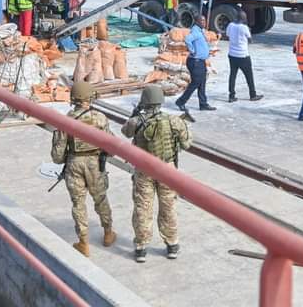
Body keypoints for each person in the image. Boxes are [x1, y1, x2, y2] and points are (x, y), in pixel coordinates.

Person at [122, 85, 192, 263]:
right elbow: (187, 144)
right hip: (167, 169)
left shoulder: (136, 121)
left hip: (144, 169)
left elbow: (125, 131)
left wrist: (135, 114)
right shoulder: (173, 120)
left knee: (142, 207)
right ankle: (172, 245)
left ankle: (141, 247)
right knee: (168, 207)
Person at [50, 81, 116, 257]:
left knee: (78, 203)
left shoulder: (66, 120)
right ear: (90, 97)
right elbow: (112, 146)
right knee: (101, 199)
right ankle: (108, 233)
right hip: (95, 163)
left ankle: (84, 242)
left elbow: (57, 156)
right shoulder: (100, 118)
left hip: (74, 164)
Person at [175, 15, 215, 115]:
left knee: (202, 82)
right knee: (196, 82)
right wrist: (192, 50)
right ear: (196, 21)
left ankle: (203, 104)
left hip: (200, 61)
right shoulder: (196, 32)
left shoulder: (201, 31)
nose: (204, 22)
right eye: (201, 21)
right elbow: (187, 39)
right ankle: (180, 102)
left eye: (204, 20)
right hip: (195, 61)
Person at [226, 12, 262, 103]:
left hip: (232, 54)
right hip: (243, 55)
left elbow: (228, 35)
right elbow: (250, 40)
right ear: (244, 19)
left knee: (232, 75)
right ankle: (252, 95)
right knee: (249, 76)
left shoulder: (230, 25)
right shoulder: (244, 28)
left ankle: (231, 96)